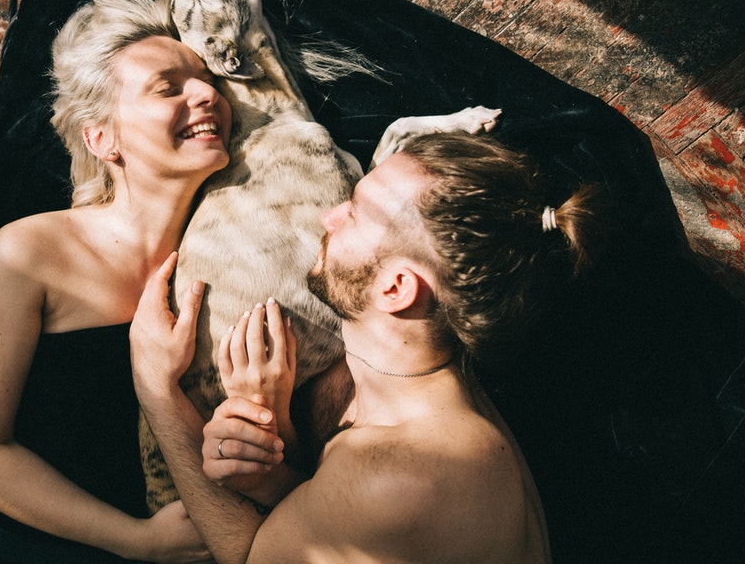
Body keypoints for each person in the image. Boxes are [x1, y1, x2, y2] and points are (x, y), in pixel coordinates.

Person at [131, 130, 608, 563]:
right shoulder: (414, 391)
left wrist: (155, 386)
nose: (329, 216)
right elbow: (349, 522)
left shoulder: (408, 471)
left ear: (395, 289)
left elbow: (249, 556)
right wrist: (274, 465)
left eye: (354, 214)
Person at [0, 0, 225, 563]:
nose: (206, 93)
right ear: (103, 138)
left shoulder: (226, 255)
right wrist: (137, 541)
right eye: (168, 87)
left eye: (207, 79)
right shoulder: (27, 254)